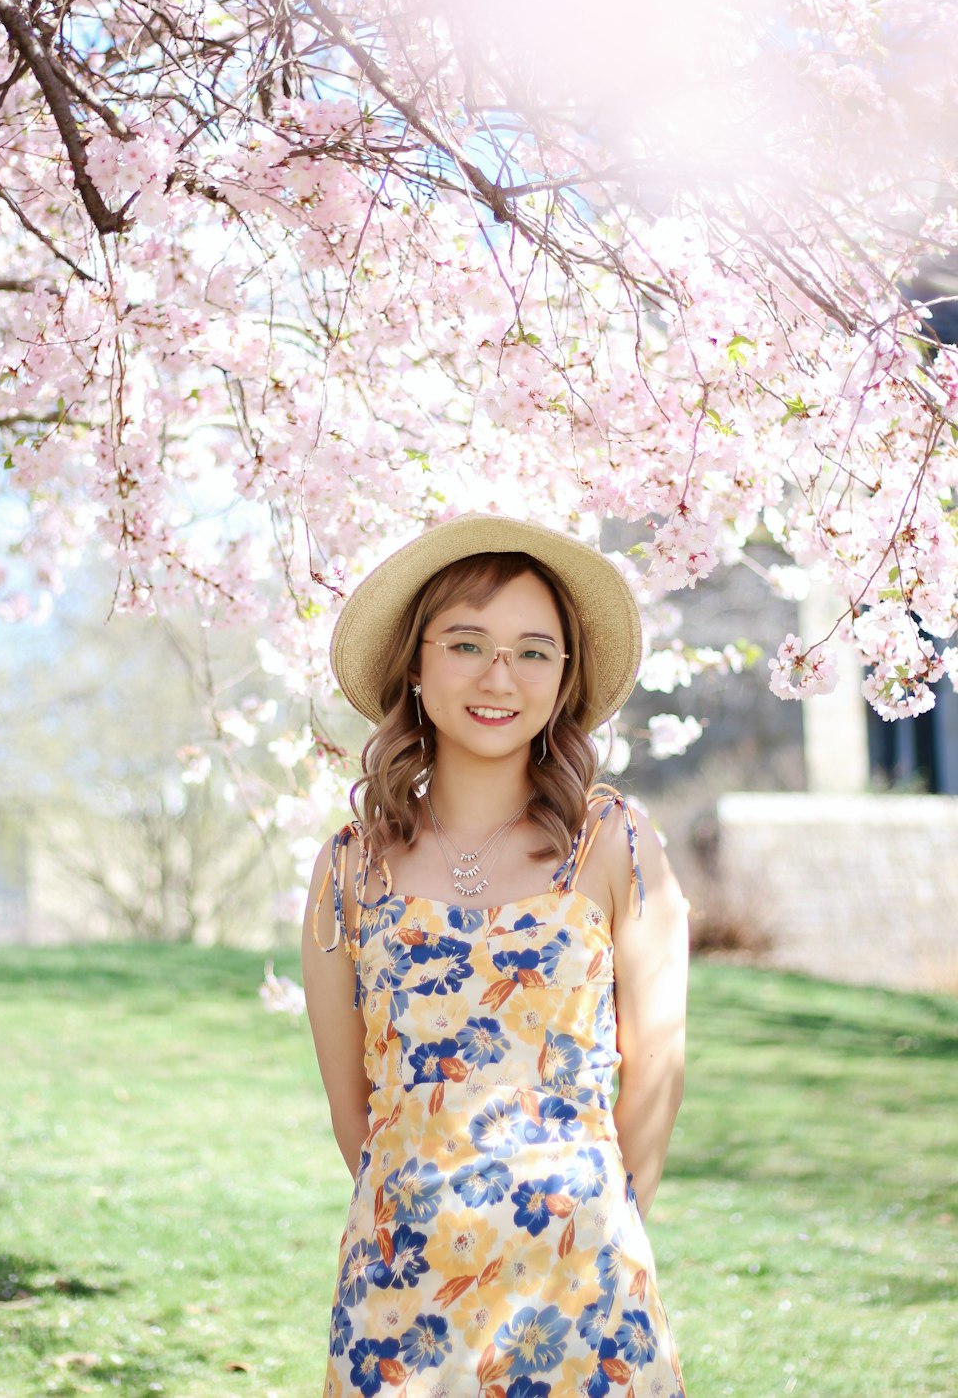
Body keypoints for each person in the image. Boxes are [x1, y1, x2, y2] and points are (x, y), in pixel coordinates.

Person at [302, 514, 689, 1398]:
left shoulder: (616, 844)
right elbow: (352, 1109)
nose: (498, 677)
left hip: (581, 1277)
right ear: (416, 664)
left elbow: (657, 1068)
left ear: (563, 678)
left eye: (533, 652)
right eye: (467, 644)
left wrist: (590, 1229)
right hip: (399, 1288)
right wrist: (421, 1219)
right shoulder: (349, 867)